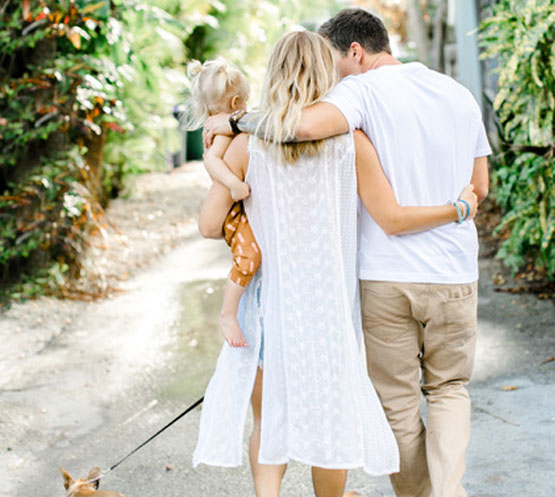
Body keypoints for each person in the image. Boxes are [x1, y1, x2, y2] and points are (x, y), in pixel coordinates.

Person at [203, 8, 491, 497]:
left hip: (324, 290)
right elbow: (450, 195)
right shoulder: (418, 111)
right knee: (422, 397)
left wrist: (231, 139)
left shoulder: (283, 129)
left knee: (313, 410)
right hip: (397, 290)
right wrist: (455, 209)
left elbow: (216, 219)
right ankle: (444, 491)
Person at [187, 57, 258, 348]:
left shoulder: (235, 124)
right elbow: (211, 161)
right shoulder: (219, 130)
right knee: (249, 257)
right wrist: (232, 184)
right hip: (232, 215)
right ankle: (228, 313)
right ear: (236, 102)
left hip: (237, 208)